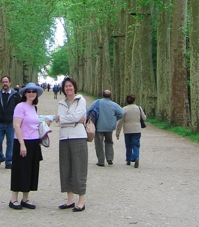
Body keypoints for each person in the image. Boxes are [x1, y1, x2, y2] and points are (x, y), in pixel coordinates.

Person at [47, 76, 88, 212]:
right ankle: (70, 200)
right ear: (63, 89)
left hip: (78, 137)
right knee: (66, 169)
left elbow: (75, 117)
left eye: (70, 86)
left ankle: (81, 201)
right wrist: (71, 120)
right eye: (66, 86)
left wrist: (63, 119)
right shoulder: (61, 103)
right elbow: (65, 121)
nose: (68, 88)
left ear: (74, 87)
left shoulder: (81, 100)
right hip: (64, 138)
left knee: (79, 168)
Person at [9, 82, 44, 210]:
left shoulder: (33, 108)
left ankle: (25, 198)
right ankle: (14, 199)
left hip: (34, 142)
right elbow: (16, 125)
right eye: (28, 91)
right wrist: (22, 144)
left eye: (33, 91)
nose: (31, 93)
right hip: (23, 142)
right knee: (19, 169)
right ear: (24, 93)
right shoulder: (20, 106)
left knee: (30, 170)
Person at [0, 75, 20, 169]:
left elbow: (20, 109)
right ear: (1, 83)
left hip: (11, 123)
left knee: (11, 143)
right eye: (3, 82)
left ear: (10, 83)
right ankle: (0, 157)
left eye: (6, 82)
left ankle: (8, 161)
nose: (5, 84)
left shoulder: (16, 95)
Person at [87, 89, 124, 166]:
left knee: (99, 144)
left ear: (102, 95)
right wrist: (115, 118)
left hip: (99, 126)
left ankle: (101, 161)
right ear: (110, 96)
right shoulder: (113, 104)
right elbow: (122, 113)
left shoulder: (97, 102)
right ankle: (109, 158)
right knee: (109, 142)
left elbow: (88, 111)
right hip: (109, 127)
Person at [116, 94, 146, 168]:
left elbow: (120, 121)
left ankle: (128, 159)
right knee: (136, 145)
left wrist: (118, 132)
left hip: (127, 130)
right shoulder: (139, 108)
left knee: (128, 145)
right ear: (134, 100)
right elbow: (144, 118)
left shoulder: (124, 109)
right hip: (137, 129)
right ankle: (136, 157)